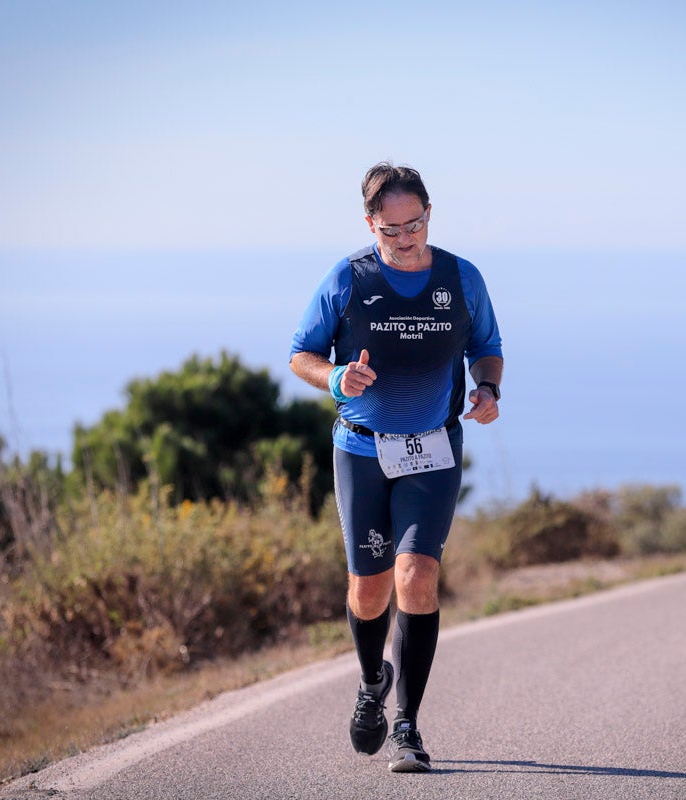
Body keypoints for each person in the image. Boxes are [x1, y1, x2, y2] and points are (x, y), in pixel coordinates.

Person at [288, 162, 504, 773]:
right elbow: (300, 353)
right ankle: (369, 681)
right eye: (392, 229)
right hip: (360, 448)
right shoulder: (347, 278)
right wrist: (333, 375)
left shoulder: (462, 278)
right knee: (369, 587)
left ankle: (408, 726)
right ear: (370, 223)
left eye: (416, 224)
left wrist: (487, 392)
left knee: (416, 576)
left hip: (433, 449)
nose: (406, 238)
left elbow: (487, 349)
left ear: (429, 215)